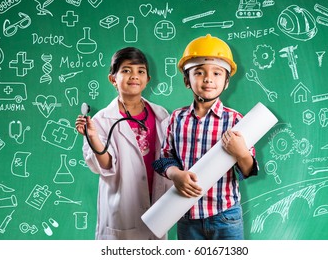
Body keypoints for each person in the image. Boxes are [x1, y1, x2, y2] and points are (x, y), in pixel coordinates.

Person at [153, 34, 258, 240]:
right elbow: (163, 159)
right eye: (199, 72)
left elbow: (248, 169)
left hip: (225, 216)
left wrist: (241, 153)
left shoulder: (236, 120)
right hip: (187, 216)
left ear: (227, 82)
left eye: (217, 73)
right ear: (186, 80)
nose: (209, 78)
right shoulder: (177, 118)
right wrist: (175, 174)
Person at [75, 47, 171, 240]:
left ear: (147, 79)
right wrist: (92, 136)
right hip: (122, 214)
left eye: (140, 71)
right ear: (113, 79)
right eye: (126, 70)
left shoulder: (161, 114)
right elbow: (105, 165)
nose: (134, 76)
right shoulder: (102, 120)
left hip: (157, 208)